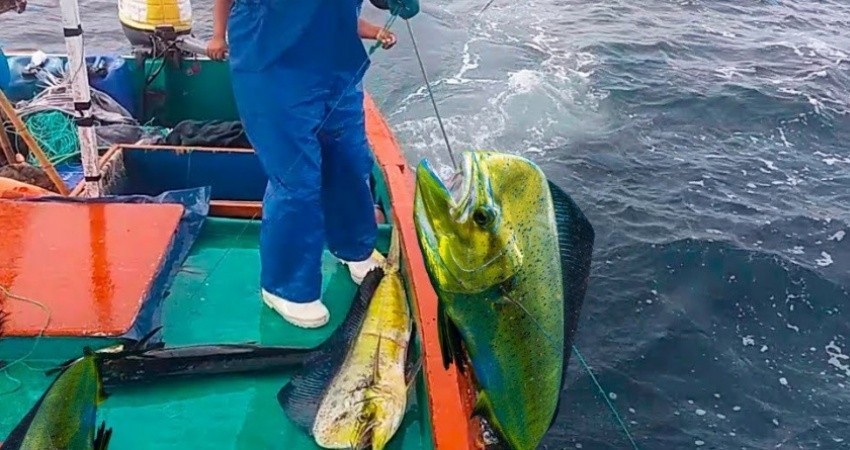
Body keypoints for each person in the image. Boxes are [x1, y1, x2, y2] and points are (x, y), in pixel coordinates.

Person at [206, 0, 417, 329]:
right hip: (272, 67)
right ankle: (285, 287)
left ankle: (355, 247)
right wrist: (218, 34)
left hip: (336, 66)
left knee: (350, 161)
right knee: (298, 178)